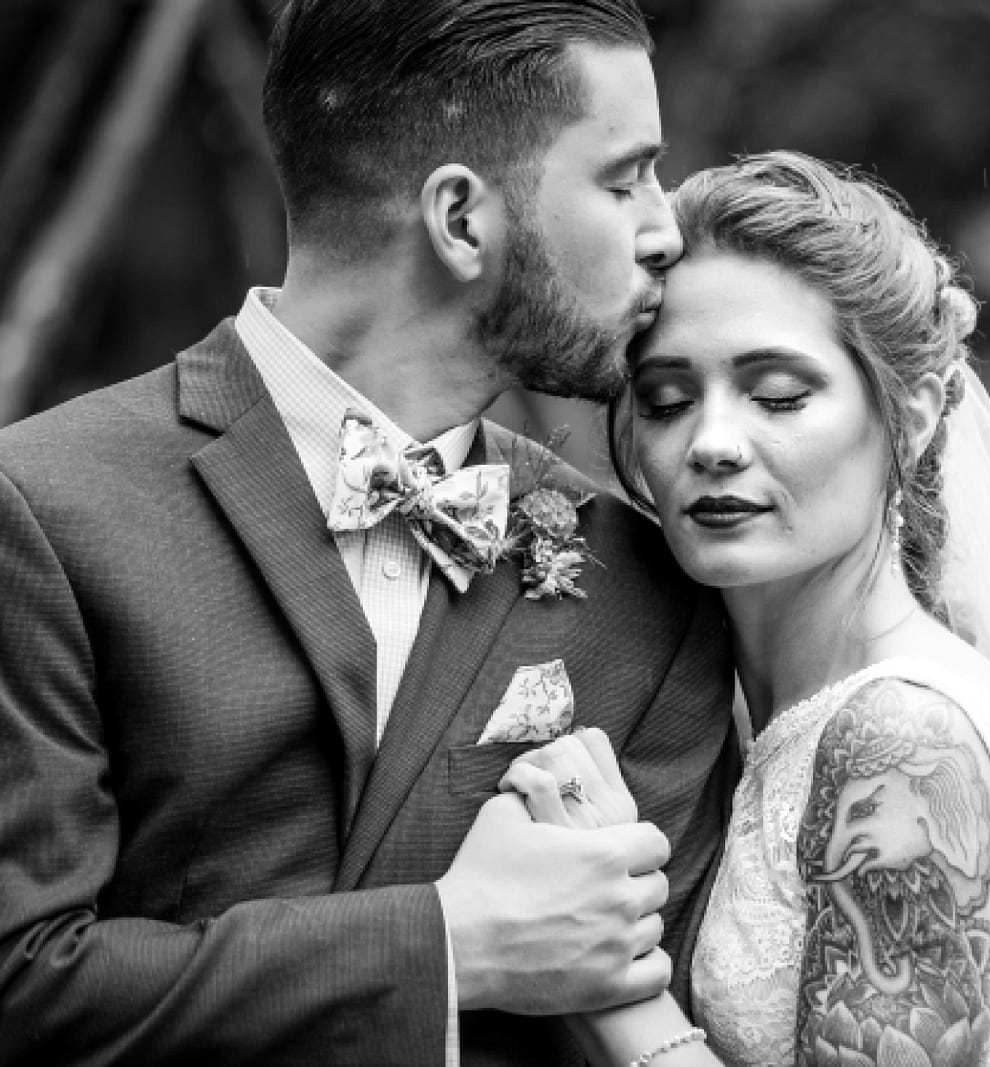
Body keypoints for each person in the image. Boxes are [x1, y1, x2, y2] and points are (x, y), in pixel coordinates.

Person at [0, 2, 738, 1064]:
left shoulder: (646, 593)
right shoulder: (46, 509)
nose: (664, 228)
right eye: (623, 180)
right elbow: (21, 984)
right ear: (460, 218)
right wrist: (443, 946)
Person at [506, 152, 990, 1065]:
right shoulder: (772, 717)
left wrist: (610, 972)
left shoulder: (905, 738)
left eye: (779, 396)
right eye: (667, 399)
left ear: (912, 416)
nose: (713, 442)